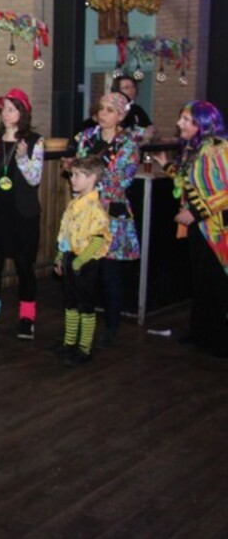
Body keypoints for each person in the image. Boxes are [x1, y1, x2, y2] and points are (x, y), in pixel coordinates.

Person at [154, 101, 228, 357]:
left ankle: (220, 340)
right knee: (200, 281)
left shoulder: (219, 150)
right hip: (199, 227)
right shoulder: (192, 149)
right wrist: (167, 166)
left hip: (218, 228)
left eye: (186, 120)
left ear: (203, 124)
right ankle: (201, 333)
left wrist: (196, 211)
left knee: (217, 282)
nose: (179, 124)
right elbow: (188, 181)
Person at [71, 91, 142, 346]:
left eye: (109, 110)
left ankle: (111, 329)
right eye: (101, 108)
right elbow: (78, 170)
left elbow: (120, 181)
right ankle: (81, 327)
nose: (103, 114)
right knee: (84, 273)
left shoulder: (128, 144)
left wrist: (90, 183)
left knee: (110, 276)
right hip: (85, 214)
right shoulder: (87, 137)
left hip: (111, 216)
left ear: (121, 115)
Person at [0, 88, 45, 340]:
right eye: (4, 108)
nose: (6, 113)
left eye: (12, 109)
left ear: (22, 113)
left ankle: (27, 317)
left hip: (22, 212)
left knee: (24, 265)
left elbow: (34, 178)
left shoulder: (34, 141)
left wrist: (23, 159)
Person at [53, 155, 112, 366]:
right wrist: (61, 257)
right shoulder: (73, 204)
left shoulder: (95, 209)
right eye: (72, 175)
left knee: (86, 306)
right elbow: (65, 234)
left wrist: (80, 262)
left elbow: (98, 241)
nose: (72, 179)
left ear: (92, 178)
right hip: (71, 258)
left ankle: (84, 348)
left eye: (78, 175)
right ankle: (69, 342)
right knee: (70, 303)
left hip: (86, 263)